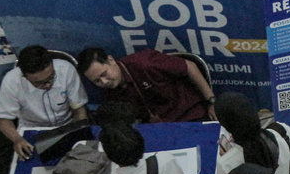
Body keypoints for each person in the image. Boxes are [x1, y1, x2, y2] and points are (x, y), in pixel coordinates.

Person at [77, 47, 217, 124]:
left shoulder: (144, 63)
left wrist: (211, 101)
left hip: (190, 117)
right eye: (97, 81)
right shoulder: (109, 91)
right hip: (155, 129)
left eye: (104, 74)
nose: (104, 82)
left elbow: (190, 67)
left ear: (111, 60)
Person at [0, 45, 89, 160]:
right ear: (24, 76)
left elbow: (79, 110)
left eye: (51, 77)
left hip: (67, 126)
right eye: (39, 83)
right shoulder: (11, 81)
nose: (48, 85)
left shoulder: (66, 70)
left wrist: (78, 132)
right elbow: (4, 120)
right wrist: (17, 139)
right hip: (32, 131)